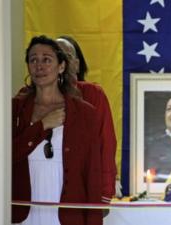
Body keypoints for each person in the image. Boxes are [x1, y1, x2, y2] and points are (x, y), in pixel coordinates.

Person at [12, 35, 103, 225]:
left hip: (68, 212)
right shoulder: (15, 109)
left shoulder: (85, 113)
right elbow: (5, 158)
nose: (39, 65)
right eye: (33, 59)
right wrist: (42, 125)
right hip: (23, 209)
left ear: (61, 66)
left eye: (47, 59)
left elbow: (92, 173)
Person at [56, 36, 117, 204]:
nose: (61, 62)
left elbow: (106, 145)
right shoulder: (29, 96)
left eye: (66, 57)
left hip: (82, 187)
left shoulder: (93, 94)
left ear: (76, 64)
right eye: (55, 56)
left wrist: (105, 194)